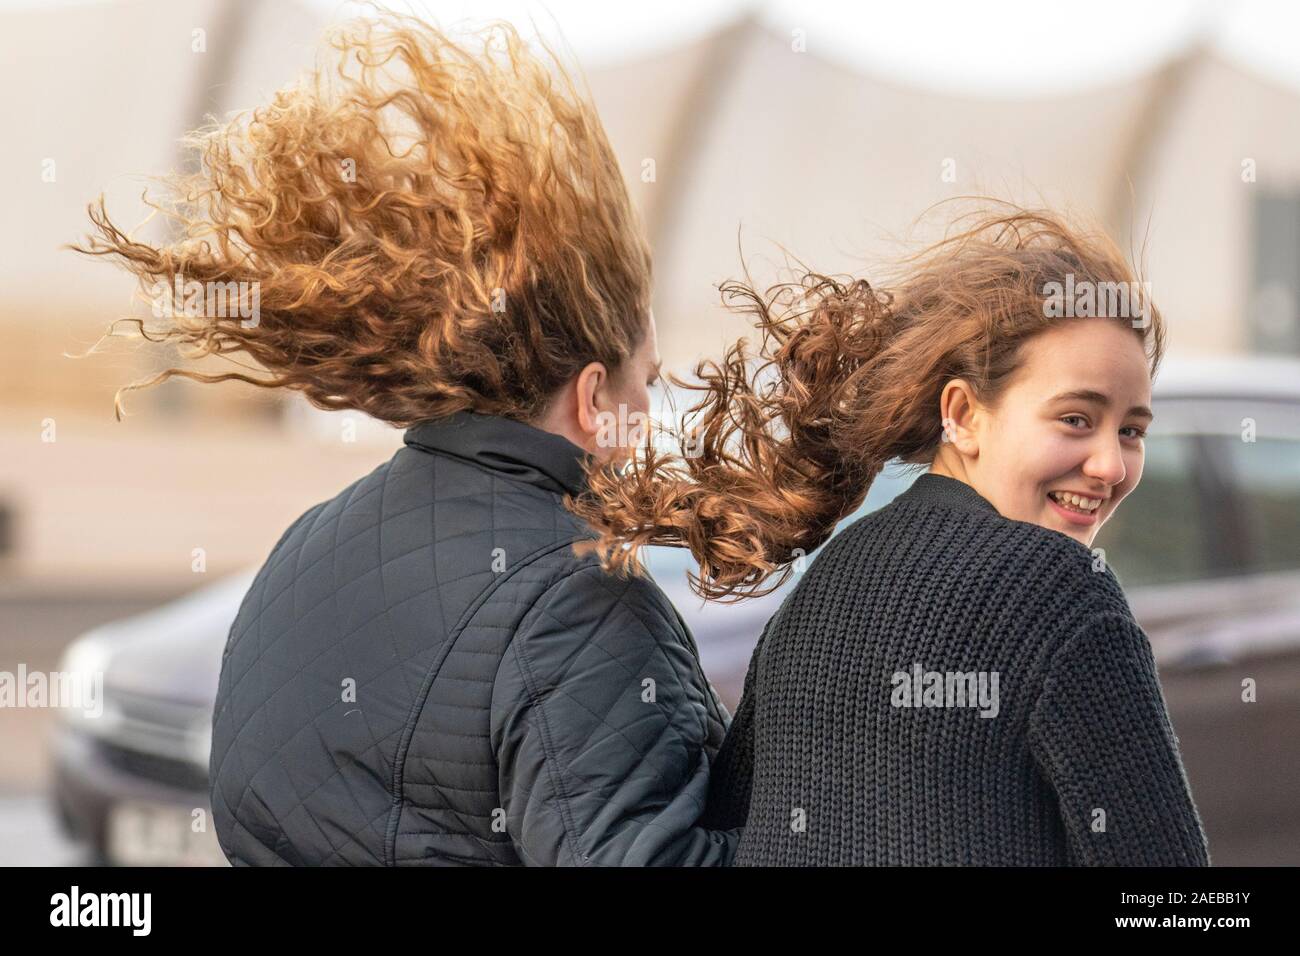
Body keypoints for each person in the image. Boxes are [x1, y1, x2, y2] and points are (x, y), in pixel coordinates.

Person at [73, 13, 737, 866]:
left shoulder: (304, 548)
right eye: (646, 379)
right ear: (593, 394)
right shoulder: (582, 601)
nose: (651, 413)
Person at [572, 204, 1212, 866]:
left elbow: (742, 832)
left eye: (1132, 431)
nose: (1110, 464)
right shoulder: (1063, 591)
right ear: (963, 414)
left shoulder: (826, 583)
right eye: (1077, 419)